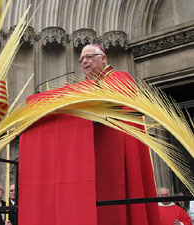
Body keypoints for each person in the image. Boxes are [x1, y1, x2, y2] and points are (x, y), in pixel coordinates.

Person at [19, 44, 161, 225]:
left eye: (89, 57)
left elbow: (103, 97)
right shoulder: (85, 87)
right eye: (81, 59)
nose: (84, 61)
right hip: (95, 151)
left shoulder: (120, 78)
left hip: (121, 151)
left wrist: (63, 95)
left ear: (103, 58)